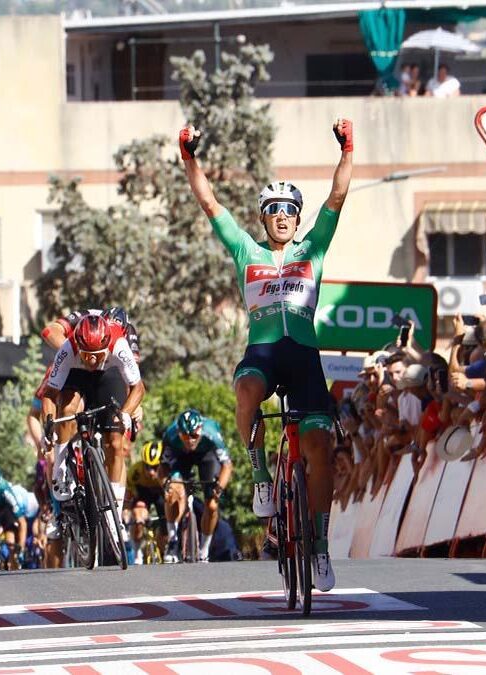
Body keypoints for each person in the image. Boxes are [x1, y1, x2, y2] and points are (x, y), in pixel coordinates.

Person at [180, 116, 353, 590]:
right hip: (262, 352)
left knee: (320, 447)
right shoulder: (246, 251)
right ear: (263, 218)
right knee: (246, 389)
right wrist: (189, 156)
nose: (282, 216)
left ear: (298, 219)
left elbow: (336, 199)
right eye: (273, 210)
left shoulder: (313, 249)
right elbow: (209, 201)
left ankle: (318, 546)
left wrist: (346, 153)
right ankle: (260, 475)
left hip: (303, 356)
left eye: (289, 210)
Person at [40, 312, 146, 566]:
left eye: (95, 355)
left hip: (107, 377)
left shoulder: (119, 346)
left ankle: (114, 512)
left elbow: (138, 388)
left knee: (116, 442)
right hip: (75, 377)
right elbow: (48, 393)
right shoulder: (69, 349)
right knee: (65, 411)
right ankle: (62, 470)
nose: (90, 360)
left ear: (106, 345)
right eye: (85, 354)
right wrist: (47, 428)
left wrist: (125, 413)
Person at [161, 409, 233, 563]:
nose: (190, 440)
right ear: (179, 433)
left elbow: (227, 465)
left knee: (212, 505)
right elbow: (163, 467)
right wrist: (166, 485)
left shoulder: (212, 433)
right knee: (172, 492)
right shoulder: (170, 435)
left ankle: (204, 550)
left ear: (200, 431)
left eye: (194, 435)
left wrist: (219, 487)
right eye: (185, 436)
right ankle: (173, 542)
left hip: (206, 456)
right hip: (180, 456)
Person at [126, 439, 167, 564]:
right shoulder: (135, 471)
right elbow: (128, 495)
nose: (151, 472)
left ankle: (164, 552)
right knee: (138, 516)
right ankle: (137, 551)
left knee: (165, 525)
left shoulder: (167, 471)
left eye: (155, 467)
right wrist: (127, 512)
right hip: (143, 492)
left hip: (161, 492)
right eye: (148, 467)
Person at [0, 466, 30, 569]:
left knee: (10, 532)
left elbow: (22, 522)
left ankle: (13, 559)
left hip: (3, 509)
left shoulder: (5, 490)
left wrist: (21, 548)